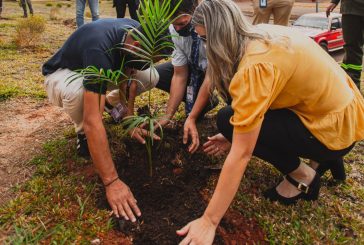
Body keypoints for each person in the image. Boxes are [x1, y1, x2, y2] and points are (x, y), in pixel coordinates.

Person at [178, 0, 364, 243]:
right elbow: (218, 75)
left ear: (218, 36)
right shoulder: (263, 34)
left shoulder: (255, 67)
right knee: (231, 123)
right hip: (339, 112)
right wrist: (199, 119)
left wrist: (209, 221)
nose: (204, 46)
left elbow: (242, 153)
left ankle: (304, 176)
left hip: (331, 130)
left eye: (204, 40)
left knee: (227, 119)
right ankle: (326, 157)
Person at [42, 18, 172, 222]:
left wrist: (129, 119)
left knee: (150, 76)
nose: (151, 62)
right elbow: (94, 121)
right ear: (137, 46)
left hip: (99, 70)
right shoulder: (99, 51)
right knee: (82, 97)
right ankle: (82, 133)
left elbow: (129, 73)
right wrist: (112, 182)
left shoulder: (133, 35)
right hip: (64, 75)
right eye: (151, 57)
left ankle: (110, 104)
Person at [106, 0, 218, 144]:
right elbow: (180, 75)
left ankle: (214, 107)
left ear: (195, 9)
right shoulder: (174, 30)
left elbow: (212, 76)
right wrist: (167, 116)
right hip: (192, 67)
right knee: (156, 74)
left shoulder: (212, 26)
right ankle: (113, 102)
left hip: (218, 71)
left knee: (221, 93)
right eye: (174, 24)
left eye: (182, 23)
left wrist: (192, 117)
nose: (177, 29)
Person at [326, 0, 364, 90]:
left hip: (351, 9)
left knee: (352, 49)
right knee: (352, 49)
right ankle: (352, 86)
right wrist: (334, 1)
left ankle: (352, 87)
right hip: (351, 9)